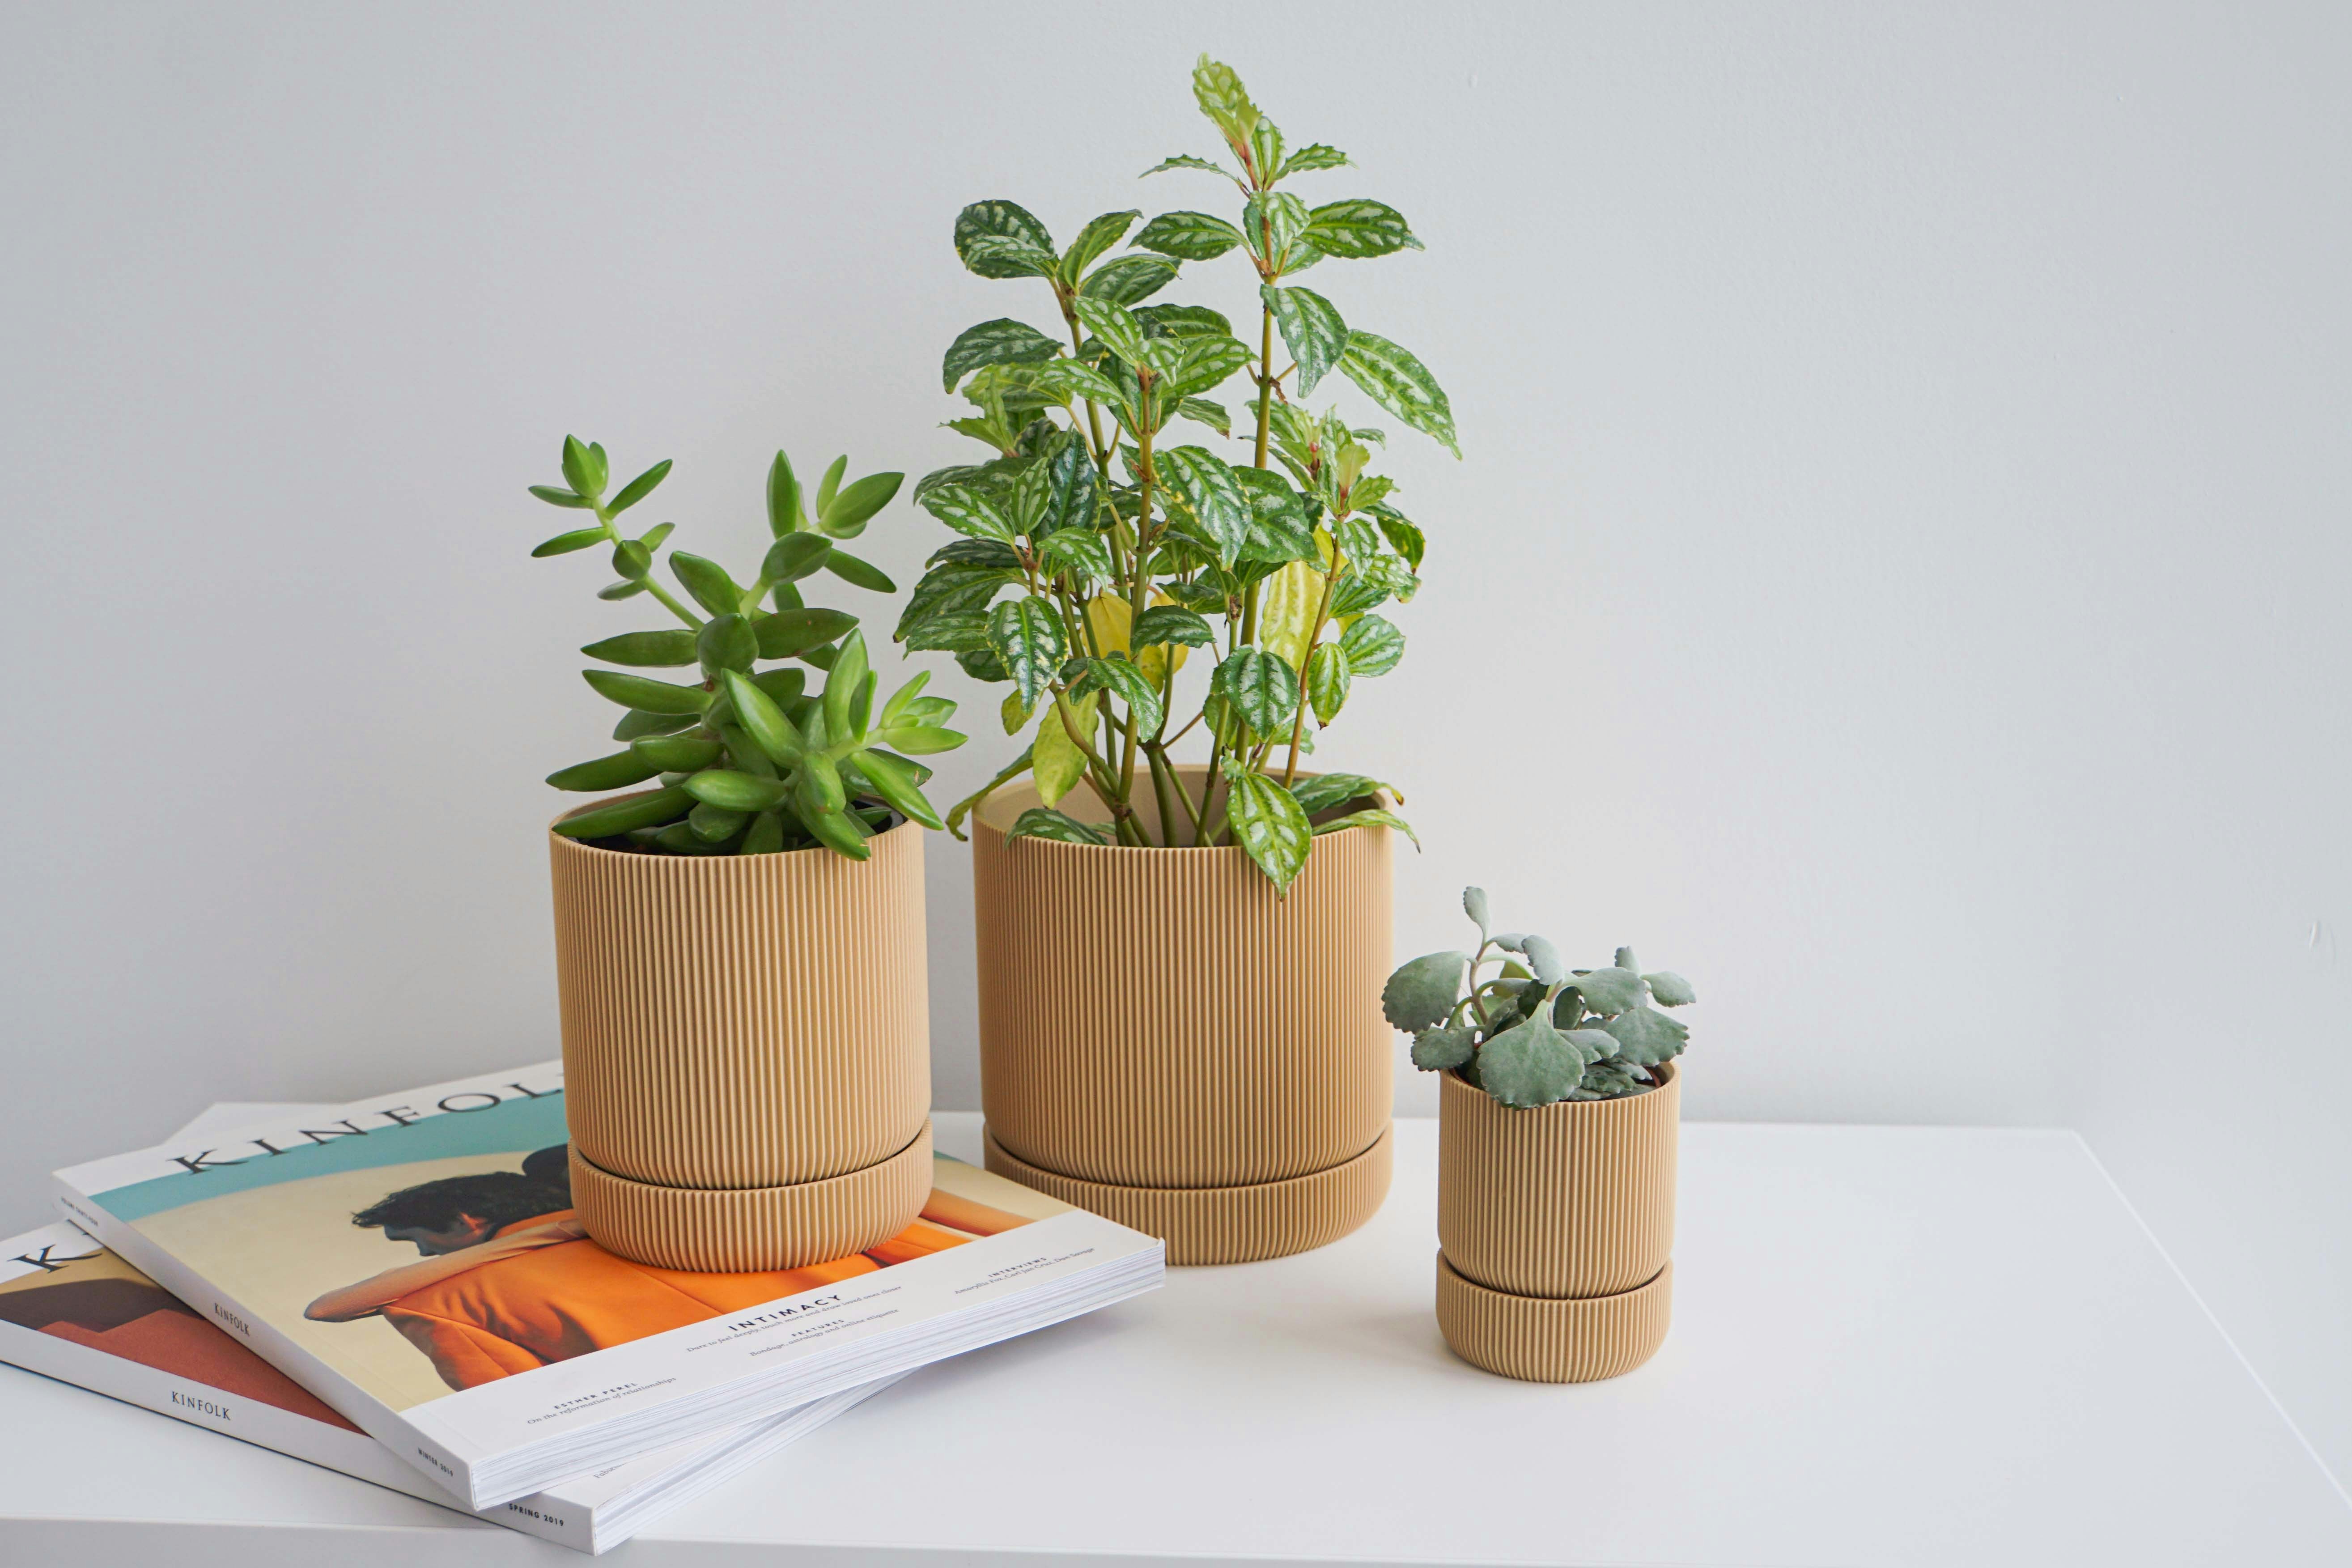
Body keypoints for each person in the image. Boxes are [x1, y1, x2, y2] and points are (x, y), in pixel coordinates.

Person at [307, 1146, 1032, 1392]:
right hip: (948, 1348)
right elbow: (931, 1242)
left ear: (466, 1223)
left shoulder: (439, 1301)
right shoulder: (740, 1201)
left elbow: (515, 1407)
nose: (423, 1258)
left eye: (415, 1242)